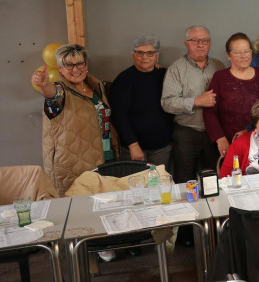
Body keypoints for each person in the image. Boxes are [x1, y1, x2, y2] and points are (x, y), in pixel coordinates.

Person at [33, 44, 118, 195]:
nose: (76, 69)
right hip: (75, 166)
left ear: (86, 65)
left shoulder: (96, 86)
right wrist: (45, 85)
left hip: (106, 157)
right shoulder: (60, 91)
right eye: (69, 65)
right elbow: (52, 94)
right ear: (60, 68)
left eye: (80, 63)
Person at [162, 25, 224, 184]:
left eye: (204, 40)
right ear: (186, 43)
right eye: (194, 40)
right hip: (186, 134)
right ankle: (187, 209)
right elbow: (167, 103)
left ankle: (213, 209)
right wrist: (196, 101)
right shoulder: (176, 69)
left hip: (214, 134)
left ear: (210, 43)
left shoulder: (219, 66)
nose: (200, 44)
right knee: (185, 180)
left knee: (213, 179)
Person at [204, 32, 259, 157]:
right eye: (238, 52)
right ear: (228, 55)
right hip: (231, 143)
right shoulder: (220, 77)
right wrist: (219, 138)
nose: (243, 56)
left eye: (247, 51)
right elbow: (209, 112)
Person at [111, 35, 172, 166]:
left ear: (157, 55)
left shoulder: (166, 75)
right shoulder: (123, 80)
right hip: (134, 148)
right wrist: (133, 145)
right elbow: (119, 115)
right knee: (135, 183)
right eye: (140, 53)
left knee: (161, 183)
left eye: (150, 53)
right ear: (133, 55)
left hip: (162, 146)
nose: (145, 57)